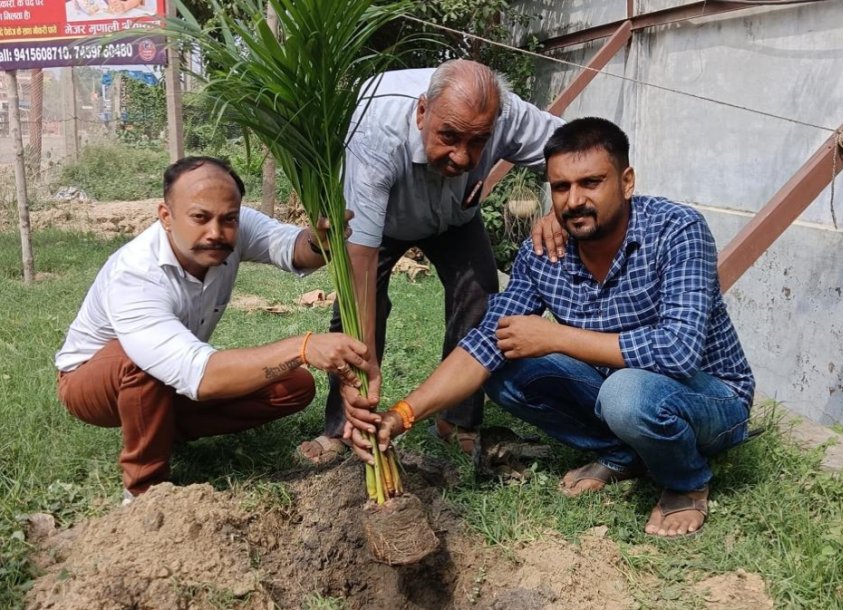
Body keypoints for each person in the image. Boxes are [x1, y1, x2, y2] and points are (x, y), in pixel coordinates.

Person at [345, 117, 755, 538]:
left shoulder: (677, 231)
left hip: (710, 399)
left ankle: (686, 483)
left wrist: (556, 337)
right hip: (617, 393)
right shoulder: (545, 252)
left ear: (626, 181)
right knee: (503, 367)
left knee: (626, 393)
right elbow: (485, 344)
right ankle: (621, 452)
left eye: (591, 183)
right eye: (561, 187)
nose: (574, 200)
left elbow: (678, 350)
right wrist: (400, 416)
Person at [55, 156, 371, 502]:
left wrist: (318, 240)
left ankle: (159, 425)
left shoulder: (231, 228)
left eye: (228, 219)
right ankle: (145, 493)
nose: (216, 233)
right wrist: (303, 347)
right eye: (200, 218)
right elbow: (198, 373)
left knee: (293, 386)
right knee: (140, 364)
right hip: (92, 383)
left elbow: (291, 248)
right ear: (166, 216)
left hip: (173, 372)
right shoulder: (136, 275)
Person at [297, 59, 564, 463]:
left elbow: (578, 148)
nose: (461, 156)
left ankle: (457, 422)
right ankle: (342, 426)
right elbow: (361, 262)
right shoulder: (377, 130)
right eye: (449, 136)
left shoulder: (507, 113)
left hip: (455, 217)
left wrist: (559, 208)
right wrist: (364, 368)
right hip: (382, 222)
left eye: (478, 142)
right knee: (358, 310)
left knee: (480, 292)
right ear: (422, 111)